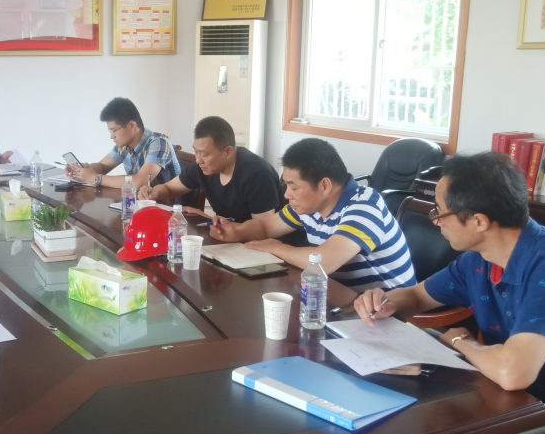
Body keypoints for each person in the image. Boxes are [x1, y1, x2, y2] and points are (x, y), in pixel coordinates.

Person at [354, 152, 545, 422]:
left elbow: (513, 374)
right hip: (513, 403)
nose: (436, 220)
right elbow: (416, 296)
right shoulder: (478, 260)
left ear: (479, 221)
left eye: (440, 212)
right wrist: (383, 303)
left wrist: (461, 341)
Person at [210, 137, 416, 292]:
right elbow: (265, 226)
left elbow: (325, 261)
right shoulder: (308, 207)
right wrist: (237, 231)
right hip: (342, 300)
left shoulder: (365, 206)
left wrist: (277, 247)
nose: (286, 194)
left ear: (325, 185)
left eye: (293, 187)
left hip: (390, 313)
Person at [139, 116, 283, 222]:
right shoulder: (201, 167)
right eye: (196, 151)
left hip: (259, 246)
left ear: (227, 152)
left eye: (205, 154)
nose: (198, 160)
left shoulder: (257, 174)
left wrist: (208, 219)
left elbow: (263, 229)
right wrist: (154, 192)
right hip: (227, 239)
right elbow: (169, 189)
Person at [65, 97, 180, 189]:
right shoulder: (124, 146)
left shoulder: (159, 142)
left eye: (114, 130)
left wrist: (96, 178)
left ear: (132, 125)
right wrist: (85, 169)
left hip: (169, 207)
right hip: (142, 203)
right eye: (110, 131)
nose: (111, 136)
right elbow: (102, 166)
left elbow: (139, 182)